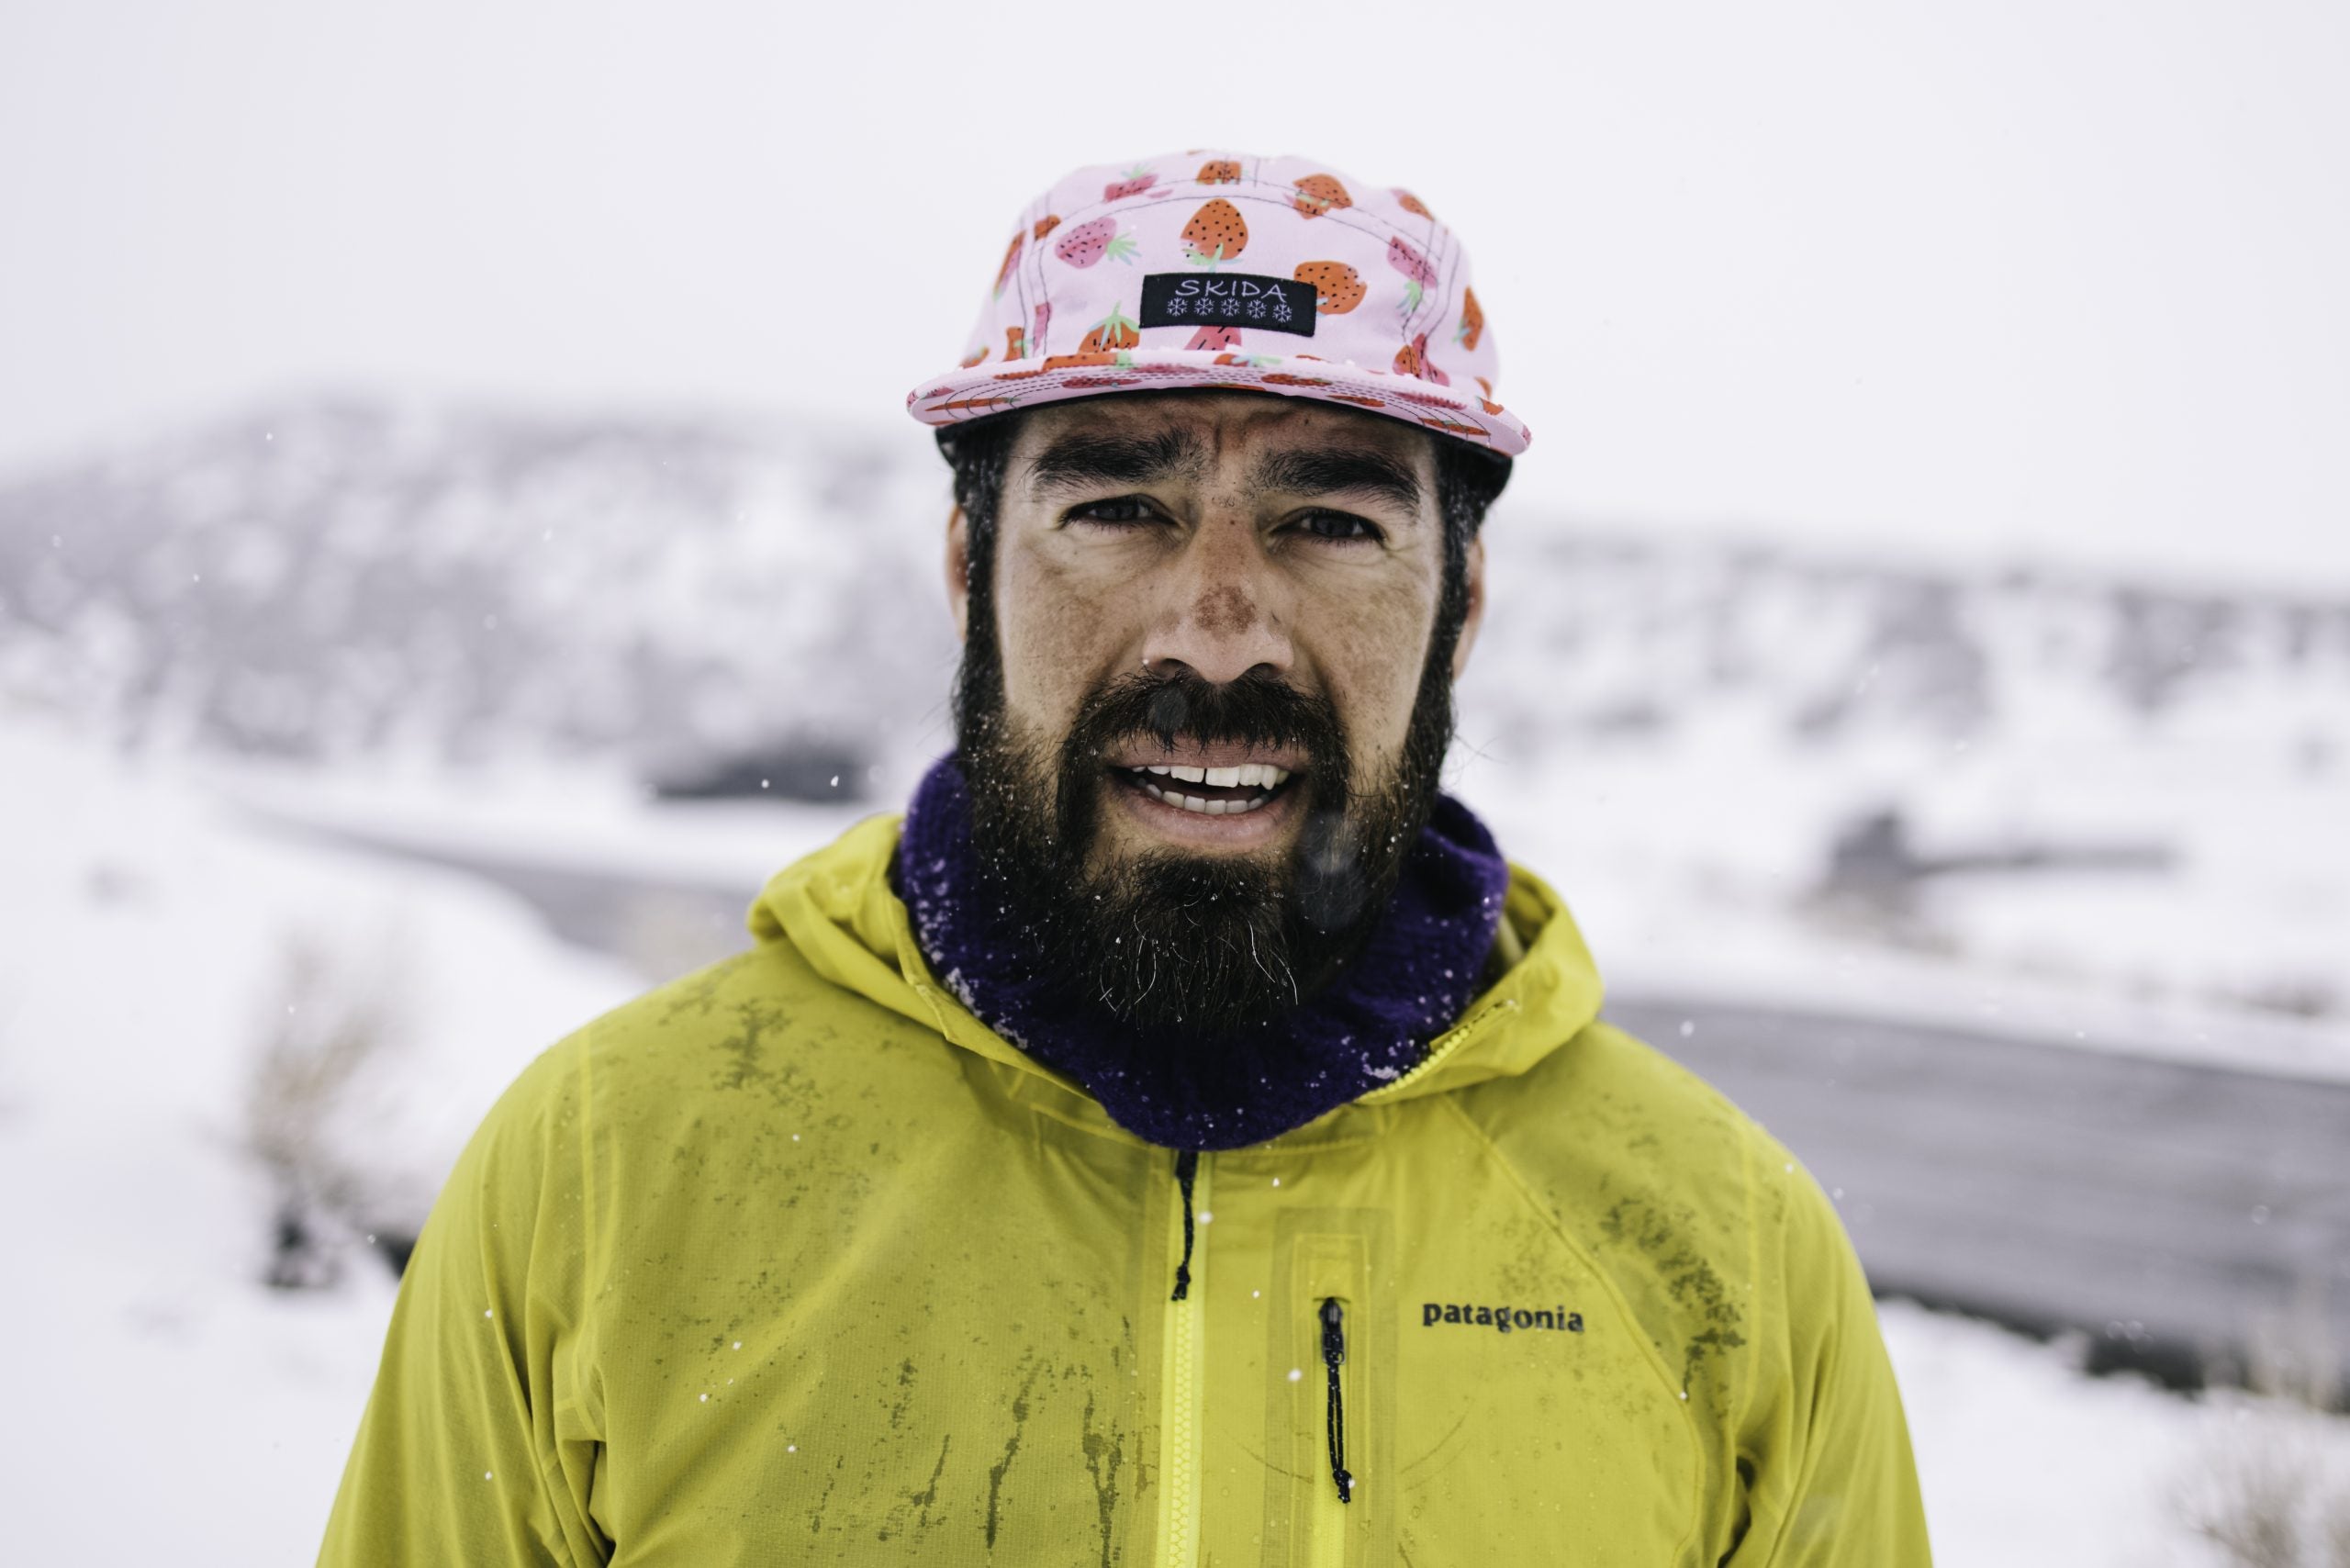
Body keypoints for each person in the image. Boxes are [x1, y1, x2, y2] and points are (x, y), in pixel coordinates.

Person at [319, 151, 1932, 1565]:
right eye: (1116, 510)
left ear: (1462, 607)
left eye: (1331, 524)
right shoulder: (606, 1171)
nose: (1215, 634)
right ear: (970, 566)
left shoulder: (1728, 1253)